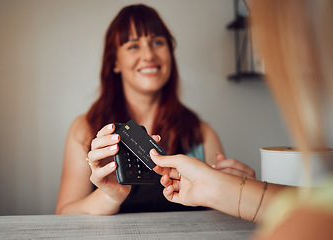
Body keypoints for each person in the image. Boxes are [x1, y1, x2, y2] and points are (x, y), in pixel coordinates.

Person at [151, 0, 333, 239]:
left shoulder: (201, 131)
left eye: (259, 18)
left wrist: (220, 187)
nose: (260, 40)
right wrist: (219, 187)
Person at [55, 4, 255, 215]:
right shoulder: (84, 129)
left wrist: (243, 192)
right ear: (115, 62)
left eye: (157, 42)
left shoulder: (201, 134)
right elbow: (64, 215)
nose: (149, 55)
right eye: (133, 46)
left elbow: (221, 215)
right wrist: (109, 196)